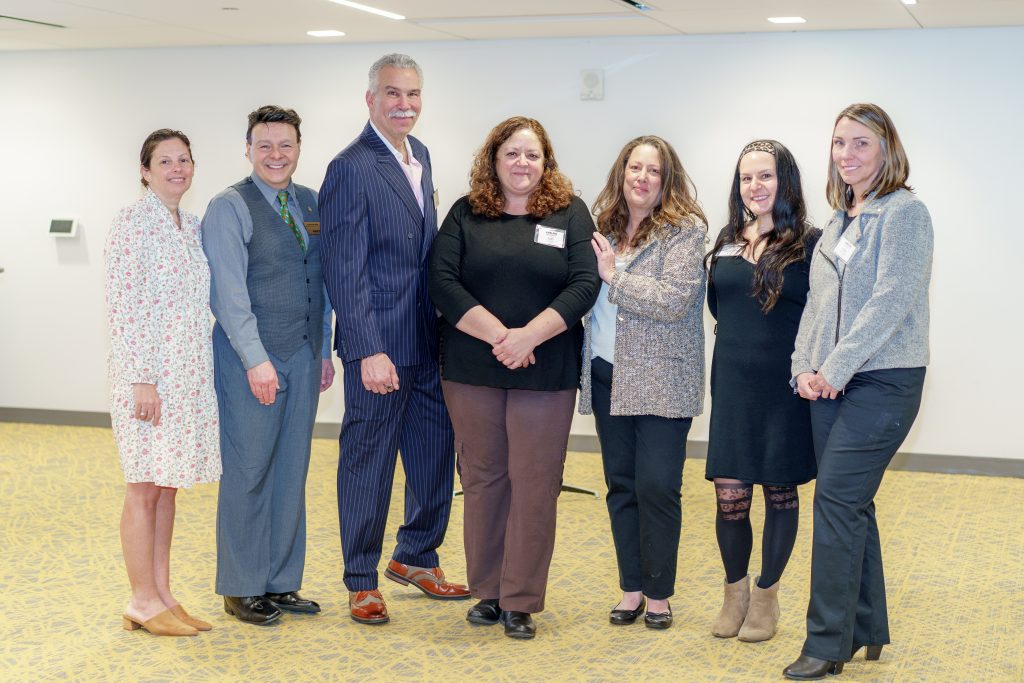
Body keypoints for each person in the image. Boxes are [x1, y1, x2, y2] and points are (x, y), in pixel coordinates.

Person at [429, 116, 600, 639]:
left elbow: (584, 282)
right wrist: (500, 336)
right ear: (494, 160)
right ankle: (487, 591)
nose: (522, 164)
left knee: (534, 483)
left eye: (533, 155)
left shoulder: (570, 213)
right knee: (483, 480)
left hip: (545, 367)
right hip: (471, 368)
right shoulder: (466, 213)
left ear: (546, 162)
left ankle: (521, 599)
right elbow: (441, 280)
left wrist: (528, 337)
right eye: (512, 154)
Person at [783, 103, 932, 680]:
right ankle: (866, 626)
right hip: (828, 383)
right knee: (851, 504)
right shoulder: (840, 221)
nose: (847, 154)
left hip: (885, 381)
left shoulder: (906, 214)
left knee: (836, 503)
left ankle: (826, 643)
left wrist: (834, 368)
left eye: (861, 143)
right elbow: (818, 307)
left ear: (886, 149)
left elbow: (889, 305)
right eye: (840, 143)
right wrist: (802, 367)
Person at [320, 53, 468, 626]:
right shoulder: (350, 167)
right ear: (370, 100)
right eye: (392, 94)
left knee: (435, 455)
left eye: (412, 94)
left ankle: (416, 557)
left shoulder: (420, 155)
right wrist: (365, 348)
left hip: (427, 337)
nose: (403, 104)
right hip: (379, 344)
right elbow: (343, 266)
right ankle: (360, 579)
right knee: (369, 462)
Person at [202, 105, 335, 626]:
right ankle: (241, 586)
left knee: (290, 469)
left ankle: (280, 582)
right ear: (249, 149)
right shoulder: (228, 206)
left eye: (285, 146)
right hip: (250, 361)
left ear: (298, 149)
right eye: (265, 146)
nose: (276, 155)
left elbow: (321, 283)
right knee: (249, 471)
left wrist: (322, 351)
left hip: (302, 355)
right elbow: (229, 296)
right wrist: (257, 361)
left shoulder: (309, 202)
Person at [578, 135, 706, 630]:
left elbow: (672, 299)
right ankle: (631, 589)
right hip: (607, 373)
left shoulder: (685, 230)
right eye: (635, 168)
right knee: (621, 486)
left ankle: (659, 594)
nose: (643, 178)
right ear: (622, 172)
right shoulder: (602, 225)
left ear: (666, 179)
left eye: (653, 171)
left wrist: (613, 276)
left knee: (657, 487)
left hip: (662, 377)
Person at [105, 128, 221, 637]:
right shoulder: (132, 223)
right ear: (145, 171)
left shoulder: (191, 226)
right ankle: (140, 598)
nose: (178, 168)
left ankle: (162, 594)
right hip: (147, 381)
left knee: (167, 488)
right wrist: (141, 380)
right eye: (166, 161)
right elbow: (125, 308)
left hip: (187, 378)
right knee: (143, 488)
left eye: (185, 160)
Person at [703, 139, 820, 643]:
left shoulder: (811, 244)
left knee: (778, 491)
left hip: (782, 386)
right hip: (732, 382)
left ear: (785, 180)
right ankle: (736, 592)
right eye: (747, 178)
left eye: (766, 176)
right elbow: (717, 306)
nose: (756, 186)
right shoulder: (727, 239)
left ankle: (767, 596)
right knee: (729, 496)